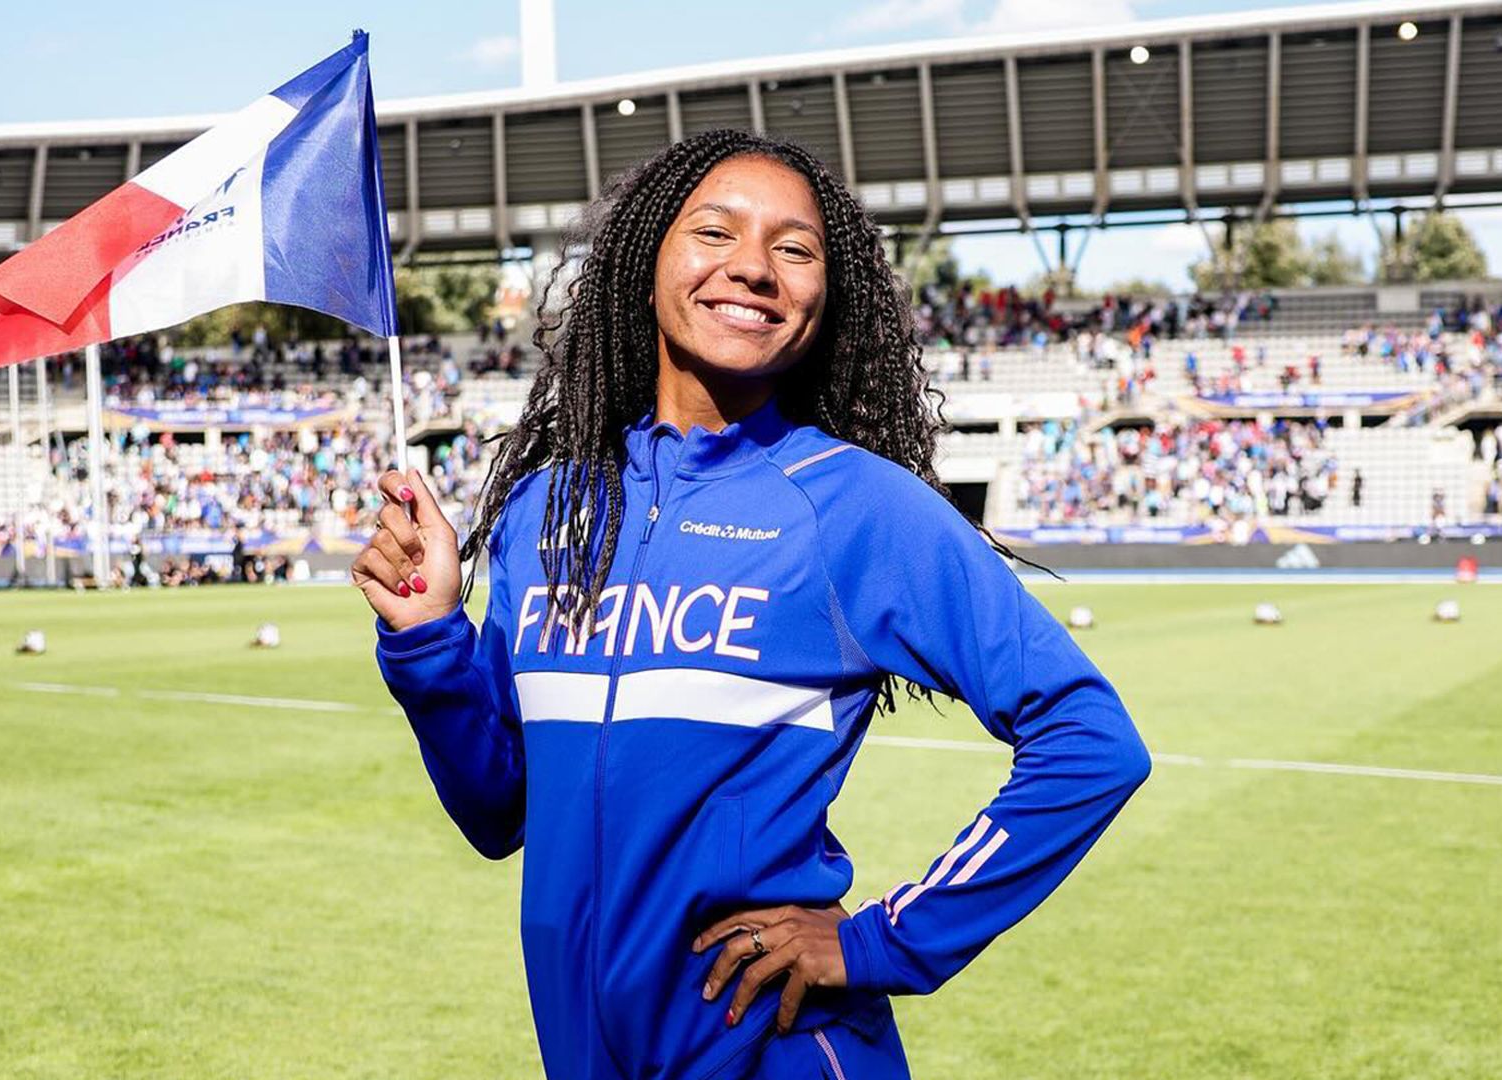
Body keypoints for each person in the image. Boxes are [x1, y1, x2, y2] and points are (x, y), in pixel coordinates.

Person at [352, 130, 1151, 1080]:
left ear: (826, 295)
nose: (753, 268)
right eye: (715, 231)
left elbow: (1092, 741)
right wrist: (432, 643)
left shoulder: (856, 506)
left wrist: (881, 941)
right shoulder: (544, 509)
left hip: (772, 1051)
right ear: (647, 261)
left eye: (795, 248)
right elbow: (501, 812)